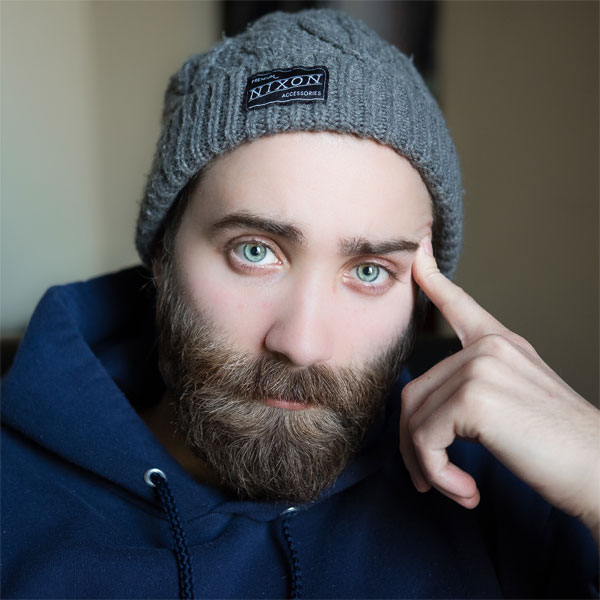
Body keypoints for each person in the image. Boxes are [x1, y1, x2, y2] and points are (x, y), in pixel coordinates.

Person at [2, 9, 598, 599]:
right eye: (255, 251)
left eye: (369, 271)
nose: (302, 343)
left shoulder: (504, 488)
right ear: (162, 253)